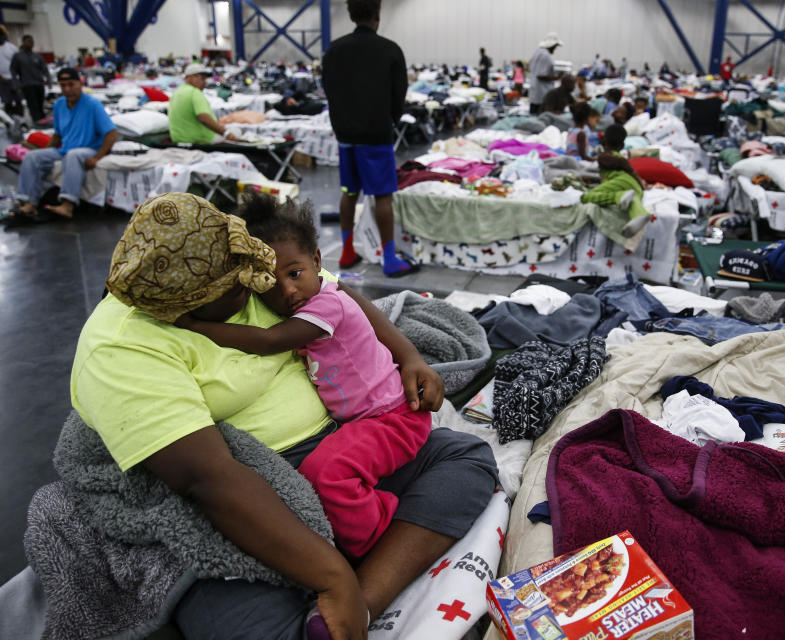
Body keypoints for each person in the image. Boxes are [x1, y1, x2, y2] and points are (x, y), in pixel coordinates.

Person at [71, 191, 498, 639]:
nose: (257, 283)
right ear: (186, 308)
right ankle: (340, 582)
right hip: (252, 489)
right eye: (238, 285)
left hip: (345, 439)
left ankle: (361, 602)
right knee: (245, 621)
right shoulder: (118, 348)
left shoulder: (256, 263)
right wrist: (330, 576)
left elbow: (341, 295)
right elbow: (207, 480)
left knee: (466, 460)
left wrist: (409, 356)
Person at [174, 193, 433, 561]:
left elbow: (269, 341)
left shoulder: (325, 305)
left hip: (392, 417)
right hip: (367, 420)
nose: (287, 291)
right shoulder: (308, 301)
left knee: (326, 473)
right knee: (323, 471)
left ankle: (375, 536)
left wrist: (194, 325)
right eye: (269, 283)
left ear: (316, 261)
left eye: (294, 274)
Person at [322, 0, 416, 278]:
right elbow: (399, 95)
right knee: (382, 196)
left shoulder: (333, 50)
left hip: (345, 136)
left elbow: (327, 90)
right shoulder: (390, 50)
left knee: (349, 192)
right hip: (376, 136)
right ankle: (389, 259)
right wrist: (390, 120)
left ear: (351, 14)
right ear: (378, 13)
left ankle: (347, 250)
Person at [8, 67, 117, 222]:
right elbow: (58, 135)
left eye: (71, 84)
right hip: (66, 149)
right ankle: (29, 203)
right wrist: (45, 154)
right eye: (63, 85)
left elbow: (111, 133)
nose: (67, 89)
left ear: (80, 84)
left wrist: (98, 157)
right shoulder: (59, 105)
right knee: (32, 157)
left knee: (73, 156)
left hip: (89, 149)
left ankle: (68, 204)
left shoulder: (92, 104)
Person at [581, 123, 651, 238]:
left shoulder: (606, 156)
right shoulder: (620, 157)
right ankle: (640, 215)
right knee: (633, 200)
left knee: (586, 197)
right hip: (635, 187)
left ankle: (617, 196)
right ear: (622, 145)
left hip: (621, 183)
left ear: (604, 141)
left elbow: (612, 162)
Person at [168, 62, 238, 143]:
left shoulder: (177, 93)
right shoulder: (194, 93)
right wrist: (226, 133)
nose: (205, 82)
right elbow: (203, 117)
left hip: (179, 139)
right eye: (202, 78)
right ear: (192, 77)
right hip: (201, 139)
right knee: (236, 130)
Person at [11, 35, 50, 123]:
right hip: (27, 85)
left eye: (32, 42)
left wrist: (49, 80)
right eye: (29, 41)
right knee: (33, 105)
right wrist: (16, 84)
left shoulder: (37, 56)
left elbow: (44, 69)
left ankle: (43, 121)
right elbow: (13, 70)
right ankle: (37, 122)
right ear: (24, 42)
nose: (31, 44)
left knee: (40, 105)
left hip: (39, 84)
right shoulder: (18, 57)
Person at [528, 32, 563, 115]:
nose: (555, 49)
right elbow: (540, 75)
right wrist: (557, 77)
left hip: (535, 93)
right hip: (542, 94)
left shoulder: (537, 52)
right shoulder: (546, 55)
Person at [0, 26, 21, 114]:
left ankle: (21, 121)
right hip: (2, 81)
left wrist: (16, 79)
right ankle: (11, 121)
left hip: (14, 79)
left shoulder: (11, 47)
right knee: (7, 102)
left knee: (18, 101)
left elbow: (19, 63)